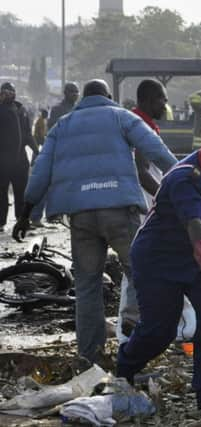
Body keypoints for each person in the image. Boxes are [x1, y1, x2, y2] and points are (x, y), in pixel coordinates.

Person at [12, 79, 177, 364]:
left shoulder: (63, 125)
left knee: (87, 286)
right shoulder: (121, 116)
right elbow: (157, 151)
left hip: (81, 216)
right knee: (141, 271)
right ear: (109, 97)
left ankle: (89, 355)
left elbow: (41, 169)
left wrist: (25, 213)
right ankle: (134, 331)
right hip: (120, 211)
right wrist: (182, 180)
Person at [116, 119, 201, 415]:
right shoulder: (186, 177)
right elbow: (194, 222)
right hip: (162, 259)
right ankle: (125, 368)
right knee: (159, 330)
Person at [116, 79, 170, 343]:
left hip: (147, 203)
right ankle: (130, 328)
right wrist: (166, 196)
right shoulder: (137, 125)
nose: (166, 104)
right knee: (137, 267)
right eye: (162, 99)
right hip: (143, 204)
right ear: (148, 100)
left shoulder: (145, 124)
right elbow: (141, 172)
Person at [0, 82, 38, 233]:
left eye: (11, 91)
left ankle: (21, 221)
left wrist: (36, 150)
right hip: (2, 160)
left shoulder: (21, 109)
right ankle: (1, 222)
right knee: (1, 192)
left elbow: (28, 134)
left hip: (20, 161)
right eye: (5, 91)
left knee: (21, 193)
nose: (8, 94)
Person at [30, 109, 49, 227]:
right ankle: (36, 216)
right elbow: (40, 135)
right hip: (39, 145)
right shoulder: (41, 121)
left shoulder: (41, 121)